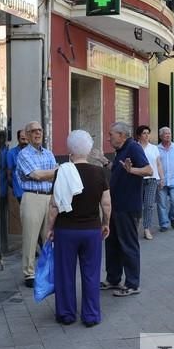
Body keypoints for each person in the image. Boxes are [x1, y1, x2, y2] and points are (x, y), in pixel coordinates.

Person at [45, 130, 112, 326]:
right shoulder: (100, 172)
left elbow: (54, 205)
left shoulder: (61, 172)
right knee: (91, 273)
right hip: (91, 230)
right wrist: (105, 223)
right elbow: (106, 204)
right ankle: (91, 315)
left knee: (65, 273)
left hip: (65, 230)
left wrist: (50, 228)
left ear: (69, 149)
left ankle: (66, 314)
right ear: (89, 149)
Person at [103, 122, 153, 296]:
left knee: (128, 245)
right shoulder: (121, 150)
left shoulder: (133, 147)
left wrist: (132, 171)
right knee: (112, 243)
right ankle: (113, 279)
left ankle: (132, 284)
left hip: (128, 206)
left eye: (111, 134)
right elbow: (119, 170)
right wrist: (105, 162)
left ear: (122, 135)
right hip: (115, 205)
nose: (108, 138)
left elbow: (148, 170)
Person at [17, 121, 58, 287]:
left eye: (40, 130)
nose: (38, 133)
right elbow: (36, 175)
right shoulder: (24, 154)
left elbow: (51, 176)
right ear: (26, 135)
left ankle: (48, 271)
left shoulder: (49, 153)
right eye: (33, 131)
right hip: (32, 197)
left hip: (49, 197)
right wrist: (55, 171)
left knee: (49, 237)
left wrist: (51, 174)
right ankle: (29, 274)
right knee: (30, 238)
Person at [156, 127, 174, 232]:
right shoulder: (156, 149)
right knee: (161, 204)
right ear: (160, 136)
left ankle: (172, 217)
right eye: (165, 134)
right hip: (161, 181)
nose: (168, 135)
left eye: (169, 133)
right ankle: (164, 224)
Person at [136, 125, 163, 240]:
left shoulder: (154, 148)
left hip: (152, 179)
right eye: (144, 133)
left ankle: (146, 228)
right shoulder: (135, 147)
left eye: (148, 133)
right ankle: (135, 226)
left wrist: (162, 178)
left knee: (149, 205)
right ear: (139, 135)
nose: (147, 135)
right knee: (136, 205)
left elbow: (158, 164)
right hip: (137, 179)